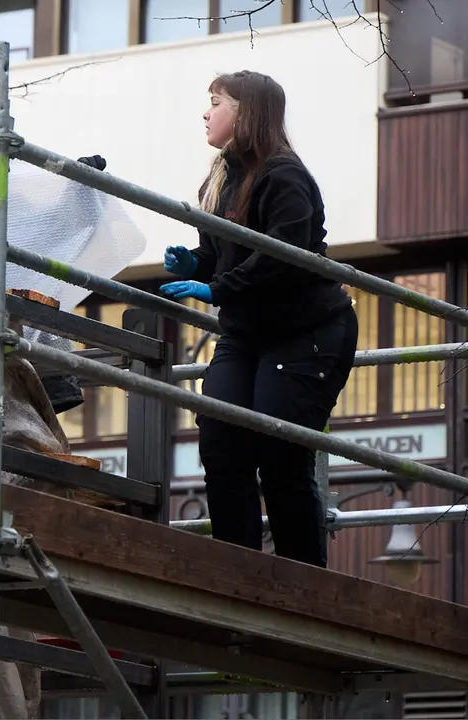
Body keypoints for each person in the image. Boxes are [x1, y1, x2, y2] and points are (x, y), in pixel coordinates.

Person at [159, 71, 358, 568]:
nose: (206, 113)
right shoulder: (222, 176)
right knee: (222, 443)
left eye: (216, 102)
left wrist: (216, 287)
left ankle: (303, 587)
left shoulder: (284, 175)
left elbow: (283, 258)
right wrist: (197, 263)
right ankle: (239, 574)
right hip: (247, 331)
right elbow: (221, 252)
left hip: (306, 332)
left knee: (280, 456)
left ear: (245, 113)